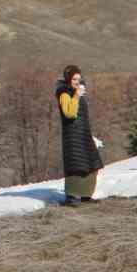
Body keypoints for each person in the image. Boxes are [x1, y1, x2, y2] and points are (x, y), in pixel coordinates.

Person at [55, 65, 103, 205]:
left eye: (79, 79)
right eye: (74, 79)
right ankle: (72, 196)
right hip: (72, 134)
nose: (77, 81)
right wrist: (76, 95)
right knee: (76, 164)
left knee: (92, 163)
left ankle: (85, 195)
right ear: (68, 79)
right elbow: (69, 113)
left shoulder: (78, 92)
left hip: (83, 132)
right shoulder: (64, 94)